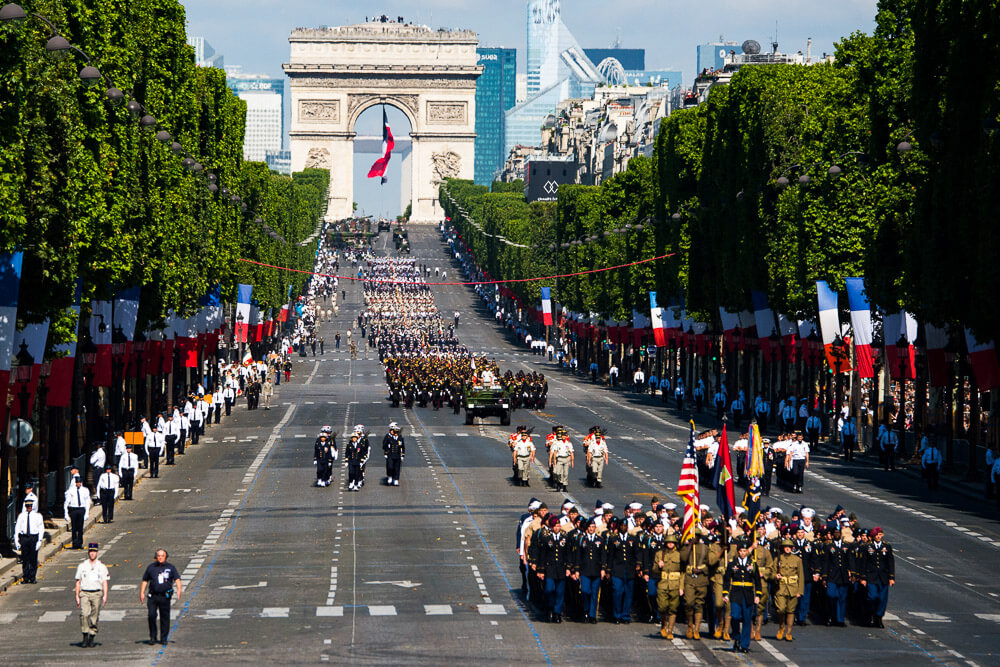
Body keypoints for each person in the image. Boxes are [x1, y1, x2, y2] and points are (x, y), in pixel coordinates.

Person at [722, 537, 762, 654]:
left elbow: (757, 581)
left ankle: (744, 645)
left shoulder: (752, 564)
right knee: (734, 616)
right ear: (738, 552)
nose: (743, 553)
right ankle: (736, 636)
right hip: (736, 594)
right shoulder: (732, 563)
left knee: (747, 619)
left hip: (748, 594)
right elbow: (726, 579)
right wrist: (725, 593)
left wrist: (757, 594)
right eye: (741, 551)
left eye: (745, 551)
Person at [140, 548, 181, 645]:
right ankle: (153, 637)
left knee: (165, 617)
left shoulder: (171, 567)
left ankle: (163, 638)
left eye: (162, 556)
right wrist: (142, 592)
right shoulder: (151, 567)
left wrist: (179, 589)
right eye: (158, 556)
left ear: (166, 557)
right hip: (153, 596)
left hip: (165, 597)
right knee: (151, 615)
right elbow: (145, 580)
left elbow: (177, 579)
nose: (160, 558)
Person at [537, 515, 571, 622]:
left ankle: (557, 612)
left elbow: (568, 554)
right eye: (554, 526)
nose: (557, 528)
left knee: (560, 592)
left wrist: (568, 568)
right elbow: (542, 554)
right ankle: (550, 607)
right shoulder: (546, 537)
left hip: (561, 567)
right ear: (551, 527)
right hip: (550, 568)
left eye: (558, 525)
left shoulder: (564, 537)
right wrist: (541, 570)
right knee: (549, 589)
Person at [75, 542, 109, 648]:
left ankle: (92, 636)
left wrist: (105, 595)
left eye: (94, 551)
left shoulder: (101, 567)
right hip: (85, 592)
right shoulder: (82, 566)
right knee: (84, 614)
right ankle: (85, 635)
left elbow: (104, 582)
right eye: (91, 551)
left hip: (97, 593)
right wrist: (77, 595)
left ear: (97, 553)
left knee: (94, 617)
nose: (92, 554)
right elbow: (78, 581)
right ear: (88, 553)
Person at [860, 527, 895, 628]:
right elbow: (863, 563)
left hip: (883, 577)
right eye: (876, 535)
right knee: (872, 596)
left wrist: (891, 577)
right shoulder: (868, 546)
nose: (878, 536)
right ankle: (871, 615)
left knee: (882, 598)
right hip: (871, 576)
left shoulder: (887, 546)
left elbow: (890, 562)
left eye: (880, 534)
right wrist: (863, 577)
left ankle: (878, 617)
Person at [652, 533, 684, 639]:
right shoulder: (659, 554)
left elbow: (682, 572)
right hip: (663, 583)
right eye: (668, 542)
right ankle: (663, 625)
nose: (670, 544)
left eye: (672, 542)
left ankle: (670, 630)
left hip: (675, 584)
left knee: (673, 608)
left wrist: (681, 587)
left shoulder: (679, 555)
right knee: (662, 607)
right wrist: (658, 566)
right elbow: (654, 570)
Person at [573, 518, 605, 623]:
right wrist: (577, 569)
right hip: (585, 570)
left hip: (596, 570)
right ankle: (586, 609)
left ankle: (592, 615)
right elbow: (577, 555)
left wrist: (603, 569)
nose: (591, 529)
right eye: (590, 527)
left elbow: (603, 555)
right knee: (585, 591)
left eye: (593, 527)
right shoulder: (581, 539)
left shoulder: (600, 540)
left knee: (595, 593)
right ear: (587, 528)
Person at [774, 538, 804, 641]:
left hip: (792, 588)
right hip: (781, 588)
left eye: (789, 547)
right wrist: (775, 576)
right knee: (781, 609)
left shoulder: (797, 560)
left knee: (791, 611)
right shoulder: (778, 559)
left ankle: (788, 632)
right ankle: (781, 626)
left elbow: (801, 576)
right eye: (786, 547)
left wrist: (800, 591)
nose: (788, 549)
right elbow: (772, 571)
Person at [14, 498, 44, 584]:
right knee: (25, 559)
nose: (29, 508)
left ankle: (33, 577)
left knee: (33, 559)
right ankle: (25, 577)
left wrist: (40, 540)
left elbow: (41, 528)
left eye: (30, 506)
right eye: (27, 506)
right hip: (24, 538)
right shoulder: (21, 516)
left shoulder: (38, 516)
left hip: (33, 537)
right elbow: (17, 528)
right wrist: (16, 539)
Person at [64, 475, 91, 549]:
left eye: (79, 482)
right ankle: (74, 543)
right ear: (75, 483)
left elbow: (87, 501)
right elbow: (66, 502)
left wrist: (87, 513)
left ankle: (80, 542)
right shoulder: (71, 491)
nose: (78, 484)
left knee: (80, 528)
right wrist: (65, 513)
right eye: (77, 482)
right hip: (73, 509)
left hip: (81, 509)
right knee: (74, 528)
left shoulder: (85, 490)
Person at [383, 422, 405, 486]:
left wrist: (402, 455)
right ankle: (390, 477)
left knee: (397, 468)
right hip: (390, 455)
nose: (395, 434)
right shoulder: (389, 438)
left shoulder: (400, 438)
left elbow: (402, 447)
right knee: (390, 467)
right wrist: (386, 452)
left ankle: (396, 479)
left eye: (396, 432)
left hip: (397, 456)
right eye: (394, 432)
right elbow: (385, 446)